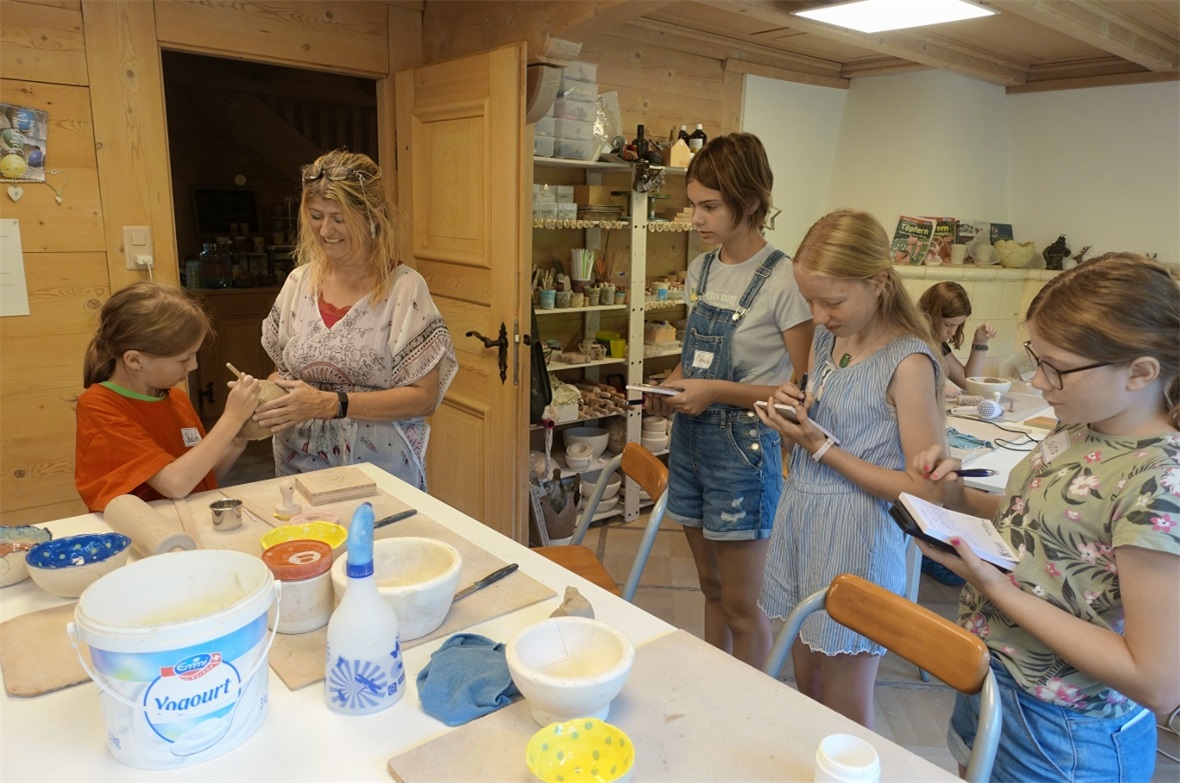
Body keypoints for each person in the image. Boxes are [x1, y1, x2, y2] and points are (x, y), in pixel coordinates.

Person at [917, 253, 1178, 782]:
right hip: (998, 680)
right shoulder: (1080, 428)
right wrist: (959, 499)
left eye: (1055, 366)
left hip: (1066, 731)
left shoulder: (1159, 482)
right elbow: (1048, 530)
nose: (1037, 379)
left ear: (1140, 372)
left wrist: (999, 589)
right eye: (1038, 357)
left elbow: (1155, 679)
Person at [757, 209, 946, 728]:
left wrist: (820, 448)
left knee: (844, 705)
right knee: (807, 683)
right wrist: (792, 413)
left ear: (879, 283)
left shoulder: (908, 362)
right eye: (810, 301)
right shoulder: (828, 339)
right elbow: (823, 418)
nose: (818, 315)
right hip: (804, 519)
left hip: (859, 538)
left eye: (833, 301)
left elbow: (921, 490)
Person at [643, 133, 814, 667]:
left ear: (753, 202)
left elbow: (802, 392)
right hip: (692, 443)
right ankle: (711, 685)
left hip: (746, 451)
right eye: (692, 204)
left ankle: (750, 707)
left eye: (710, 206)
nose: (695, 218)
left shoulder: (786, 279)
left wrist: (715, 392)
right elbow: (697, 360)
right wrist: (668, 386)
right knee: (710, 586)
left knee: (744, 604)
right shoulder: (703, 269)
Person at [257, 149, 457, 490]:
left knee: (375, 544)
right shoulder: (298, 283)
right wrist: (263, 395)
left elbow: (424, 397)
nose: (325, 230)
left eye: (339, 217)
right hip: (299, 464)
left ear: (371, 216)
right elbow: (285, 371)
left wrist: (333, 404)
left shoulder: (404, 289)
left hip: (379, 471)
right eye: (316, 216)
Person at [75, 282, 261, 511]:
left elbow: (200, 477)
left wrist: (237, 437)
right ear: (134, 360)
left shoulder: (176, 398)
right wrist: (231, 418)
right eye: (184, 359)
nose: (193, 366)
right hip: (141, 536)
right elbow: (175, 484)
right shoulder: (99, 406)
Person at [918, 281, 997, 391]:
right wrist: (937, 390)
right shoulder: (910, 342)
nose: (953, 332)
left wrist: (980, 343)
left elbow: (968, 383)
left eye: (958, 326)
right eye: (948, 325)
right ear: (931, 316)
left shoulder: (937, 344)